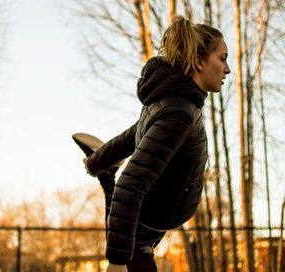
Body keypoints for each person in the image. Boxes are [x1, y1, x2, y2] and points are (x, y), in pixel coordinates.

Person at [82, 16, 231, 272]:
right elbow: (131, 183)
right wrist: (117, 262)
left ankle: (107, 175)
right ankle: (109, 181)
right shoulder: (180, 112)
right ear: (198, 61)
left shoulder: (169, 102)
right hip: (142, 230)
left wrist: (97, 162)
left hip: (147, 226)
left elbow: (133, 136)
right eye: (222, 57)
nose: (227, 69)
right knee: (135, 243)